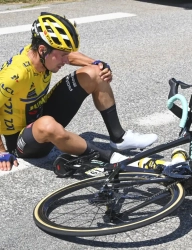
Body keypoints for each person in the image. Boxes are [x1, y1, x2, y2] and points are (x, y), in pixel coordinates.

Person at [0, 12, 157, 171]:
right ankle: (110, 157)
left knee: (96, 73)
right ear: (42, 50)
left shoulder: (38, 51)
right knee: (47, 125)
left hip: (40, 113)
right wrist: (1, 151)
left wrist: (97, 63)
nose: (65, 60)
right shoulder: (15, 75)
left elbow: (70, 56)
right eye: (62, 55)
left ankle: (119, 137)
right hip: (22, 141)